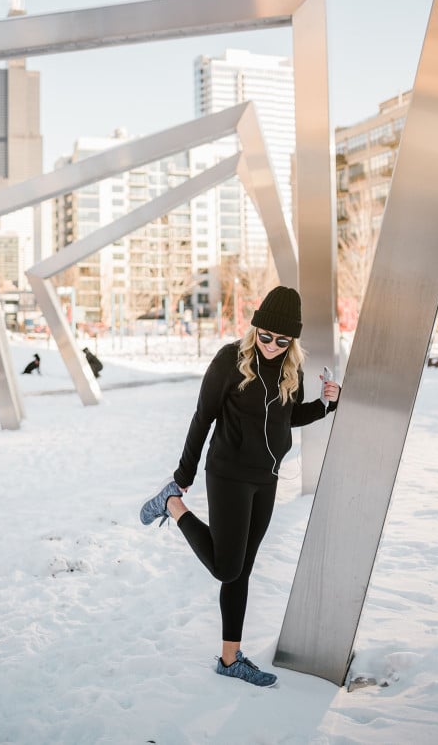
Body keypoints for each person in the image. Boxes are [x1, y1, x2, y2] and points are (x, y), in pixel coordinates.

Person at [140, 285, 340, 688]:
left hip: (265, 480)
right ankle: (172, 504)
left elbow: (286, 419)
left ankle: (230, 660)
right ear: (255, 329)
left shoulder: (291, 371)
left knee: (241, 572)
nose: (270, 345)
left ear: (292, 340)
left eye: (281, 340)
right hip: (228, 474)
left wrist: (324, 404)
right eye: (264, 335)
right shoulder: (230, 360)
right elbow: (203, 418)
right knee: (226, 567)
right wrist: (183, 476)